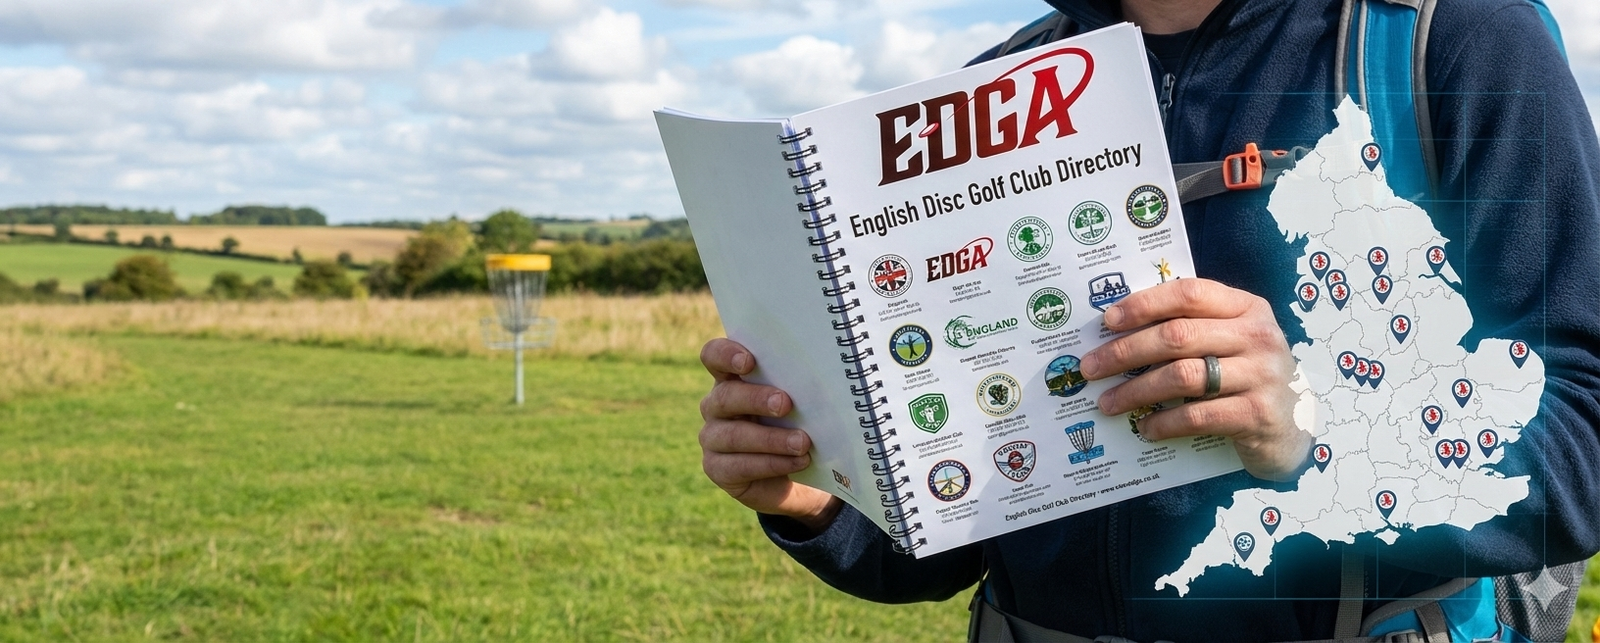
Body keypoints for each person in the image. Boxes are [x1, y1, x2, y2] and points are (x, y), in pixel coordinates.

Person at [696, 0, 1600, 639]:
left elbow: (1583, 445)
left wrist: (1323, 428)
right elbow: (956, 533)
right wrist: (827, 503)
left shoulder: (1459, 42)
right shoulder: (990, 93)